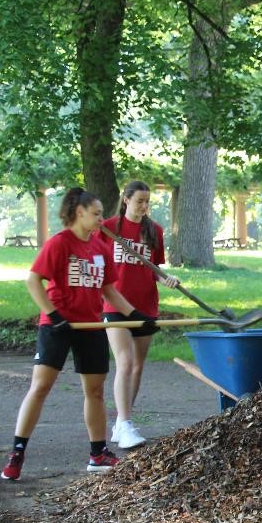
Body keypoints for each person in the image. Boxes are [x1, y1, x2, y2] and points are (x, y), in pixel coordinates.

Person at [0, 187, 156, 481]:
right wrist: (54, 314)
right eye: (96, 214)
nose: (101, 219)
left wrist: (136, 317)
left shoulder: (100, 248)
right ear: (79, 212)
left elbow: (109, 289)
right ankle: (17, 453)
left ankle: (98, 453)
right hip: (57, 326)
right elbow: (33, 280)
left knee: (94, 391)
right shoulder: (60, 243)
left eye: (101, 214)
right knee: (41, 387)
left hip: (91, 325)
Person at [100, 180, 179, 449]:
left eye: (147, 202)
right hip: (116, 305)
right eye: (139, 201)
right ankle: (124, 424)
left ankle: (123, 421)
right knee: (124, 361)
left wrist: (167, 278)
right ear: (126, 200)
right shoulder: (108, 228)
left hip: (146, 305)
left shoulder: (154, 230)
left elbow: (154, 268)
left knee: (136, 366)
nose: (144, 206)